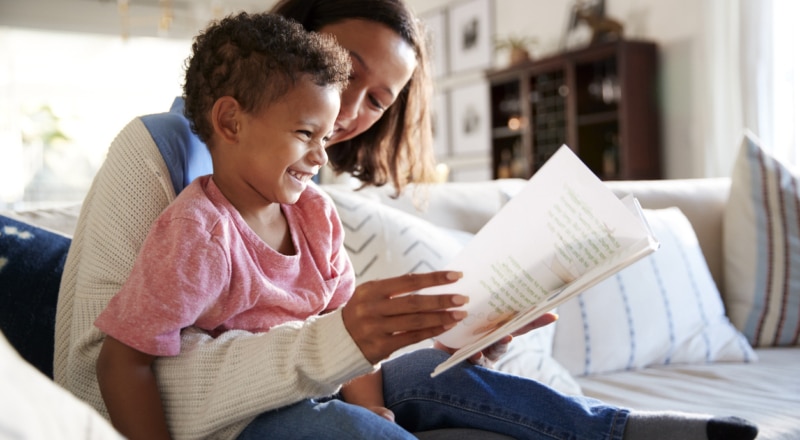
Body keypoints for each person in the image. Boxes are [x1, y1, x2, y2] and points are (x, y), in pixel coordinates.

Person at [54, 1, 759, 440]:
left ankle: (616, 429)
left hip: (326, 382)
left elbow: (342, 330)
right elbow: (116, 365)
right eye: (345, 74)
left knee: (443, 376)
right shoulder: (183, 195)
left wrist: (466, 333)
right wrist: (346, 371)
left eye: (376, 100)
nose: (349, 115)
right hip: (254, 412)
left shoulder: (314, 207)